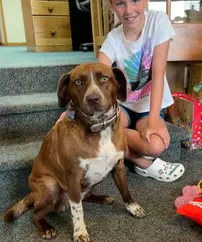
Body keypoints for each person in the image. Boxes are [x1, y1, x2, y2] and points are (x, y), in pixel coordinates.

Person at [59, 0, 185, 182]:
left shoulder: (159, 21)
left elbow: (158, 74)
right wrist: (70, 111)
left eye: (134, 1)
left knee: (155, 146)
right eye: (120, 3)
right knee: (100, 130)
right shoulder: (113, 38)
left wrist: (153, 120)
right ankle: (140, 162)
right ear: (111, 5)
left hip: (149, 105)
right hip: (123, 106)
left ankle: (108, 139)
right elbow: (94, 76)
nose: (128, 10)